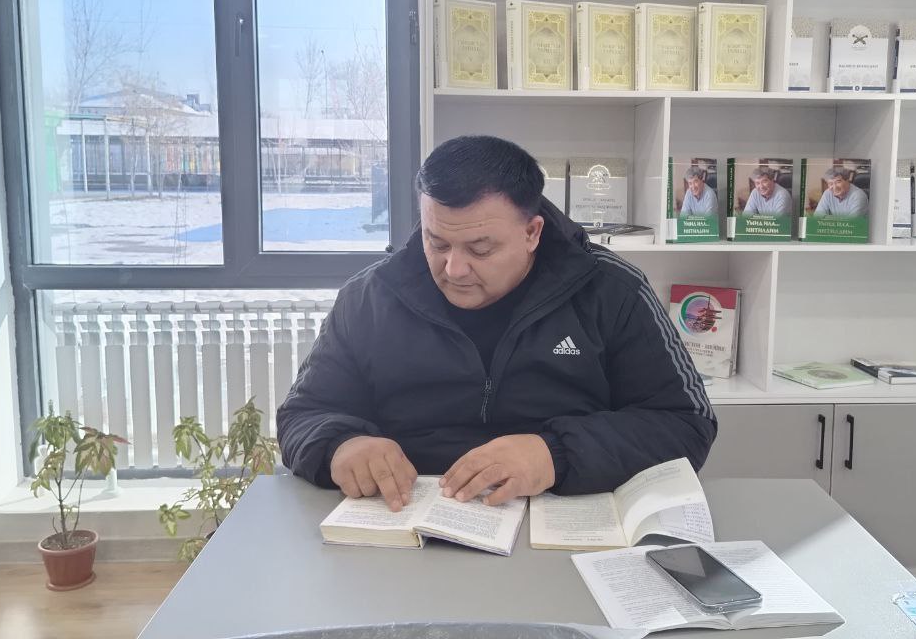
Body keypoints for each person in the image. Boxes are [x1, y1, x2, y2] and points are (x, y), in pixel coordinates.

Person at [278, 136, 716, 512]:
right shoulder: (369, 299)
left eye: (481, 249)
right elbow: (303, 414)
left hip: (562, 515)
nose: (454, 269)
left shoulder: (612, 291)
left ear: (532, 233)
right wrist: (341, 445)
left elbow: (687, 422)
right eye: (437, 242)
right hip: (406, 520)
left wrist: (555, 454)